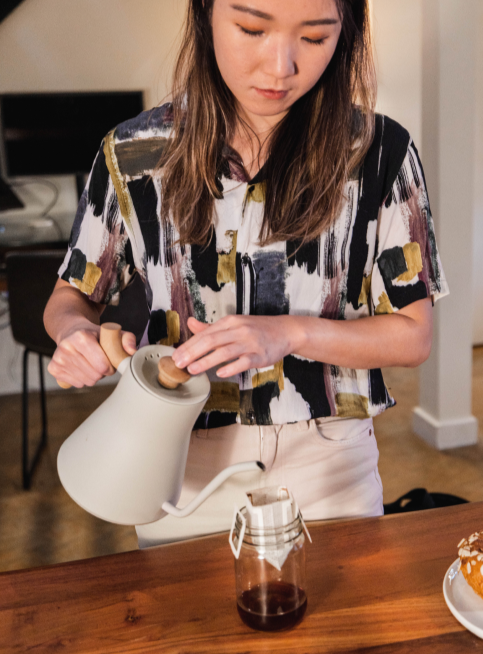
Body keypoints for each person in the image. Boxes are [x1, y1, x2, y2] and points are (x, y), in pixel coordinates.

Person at [44, 0, 448, 547]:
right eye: (253, 29)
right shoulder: (134, 153)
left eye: (314, 37)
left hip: (330, 464)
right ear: (205, 13)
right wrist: (73, 333)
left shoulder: (381, 154)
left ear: (344, 35)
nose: (280, 66)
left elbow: (413, 334)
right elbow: (72, 295)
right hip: (175, 459)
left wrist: (287, 333)